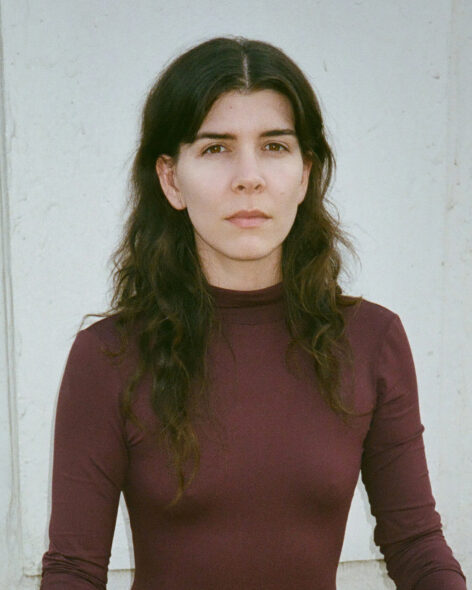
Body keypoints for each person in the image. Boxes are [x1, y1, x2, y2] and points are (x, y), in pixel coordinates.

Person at [40, 36, 467, 590]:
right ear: (171, 179)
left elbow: (416, 545)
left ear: (305, 172)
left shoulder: (371, 339)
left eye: (274, 146)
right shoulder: (109, 355)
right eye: (216, 148)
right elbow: (73, 571)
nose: (249, 177)